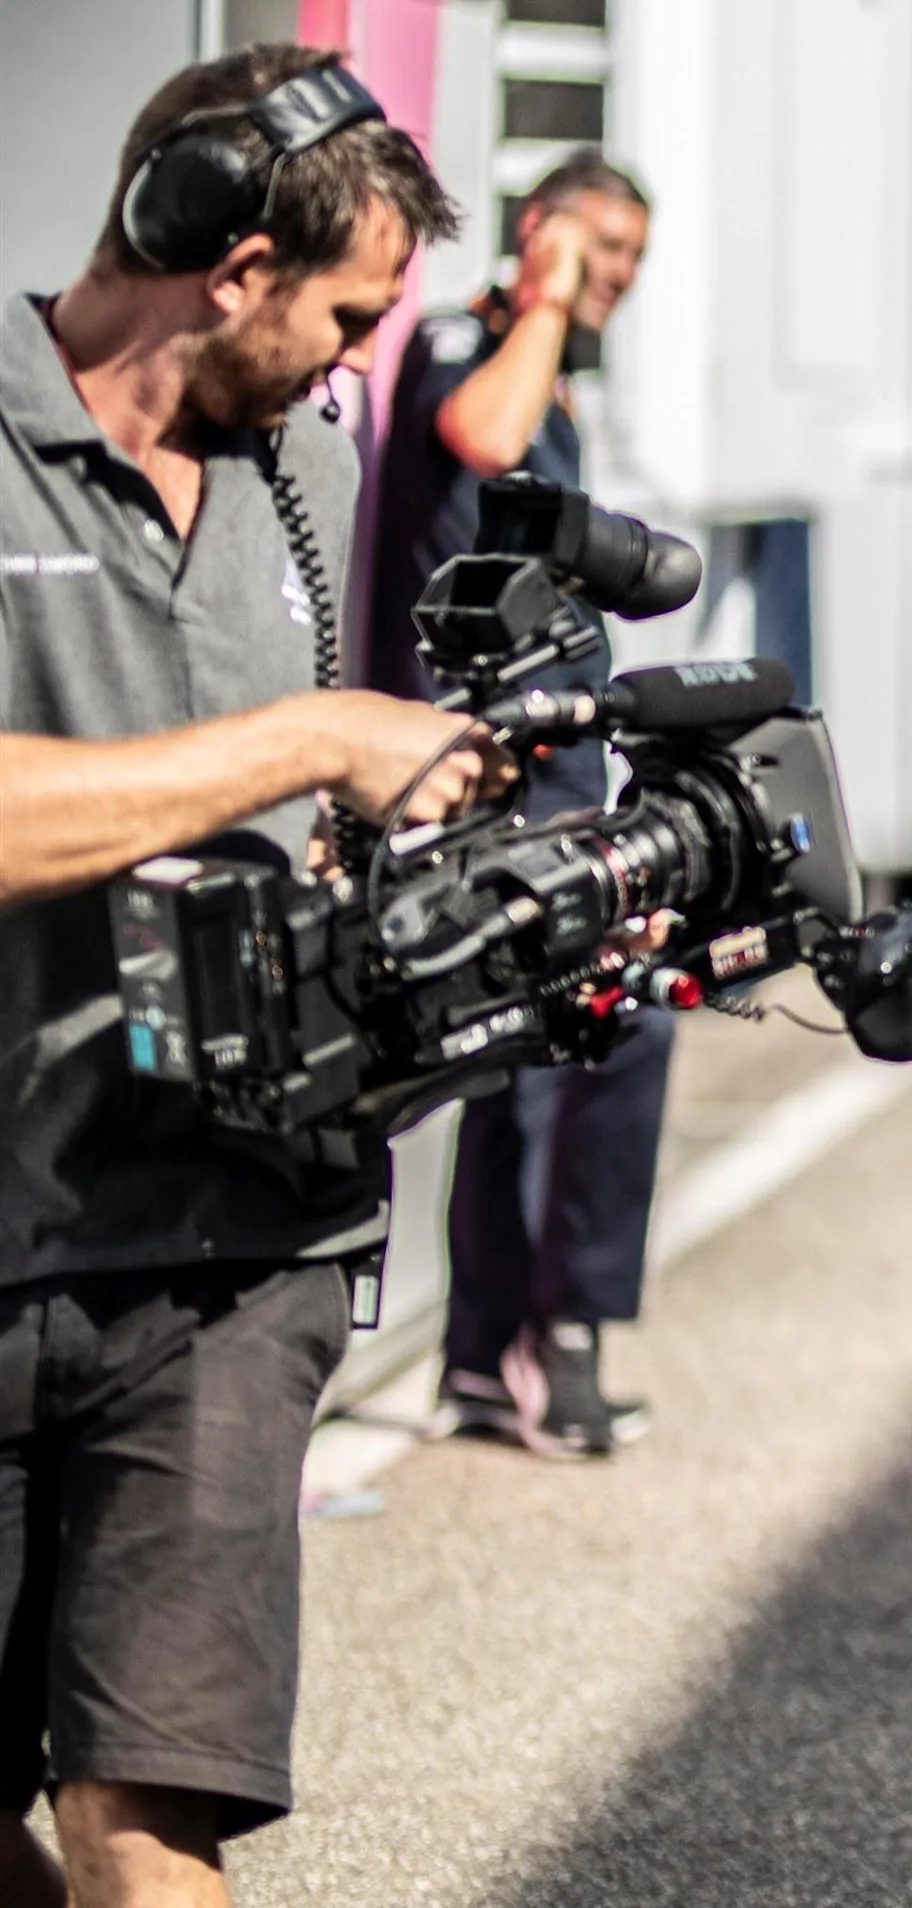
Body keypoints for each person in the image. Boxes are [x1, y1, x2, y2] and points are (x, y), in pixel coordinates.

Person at [0, 46, 493, 1904]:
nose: (358, 359)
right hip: (2, 1206)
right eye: (347, 312)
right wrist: (308, 740)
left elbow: (303, 792)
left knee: (147, 1821)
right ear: (226, 254)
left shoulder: (310, 452)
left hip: (225, 1247)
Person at [367, 148, 663, 1460]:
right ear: (540, 235)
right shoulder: (459, 350)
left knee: (532, 1064)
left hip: (546, 770)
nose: (616, 282)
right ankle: (555, 1341)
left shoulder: (553, 388)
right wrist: (542, 293)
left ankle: (493, 1353)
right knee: (592, 1038)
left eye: (632, 264)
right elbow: (478, 438)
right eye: (600, 251)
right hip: (475, 782)